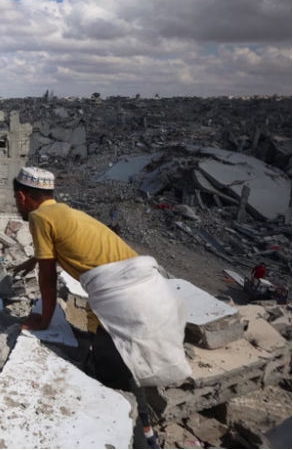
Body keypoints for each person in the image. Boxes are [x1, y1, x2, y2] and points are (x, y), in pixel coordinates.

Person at [11, 167, 188, 449]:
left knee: (117, 381)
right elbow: (61, 247)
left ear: (22, 197)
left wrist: (42, 321)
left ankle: (142, 441)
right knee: (124, 365)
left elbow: (47, 277)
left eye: (16, 200)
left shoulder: (37, 217)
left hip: (128, 303)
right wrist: (32, 259)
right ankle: (146, 432)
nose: (17, 205)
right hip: (151, 291)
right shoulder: (68, 213)